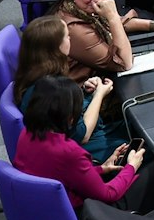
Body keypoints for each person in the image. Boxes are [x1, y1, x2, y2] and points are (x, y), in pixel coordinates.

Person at [12, 75, 143, 210]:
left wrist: (102, 168)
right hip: (84, 216)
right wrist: (131, 166)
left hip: (43, 210)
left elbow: (61, 172)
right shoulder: (69, 152)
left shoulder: (26, 134)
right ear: (70, 118)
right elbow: (108, 194)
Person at [12, 15, 124, 161]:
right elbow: (82, 134)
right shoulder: (54, 88)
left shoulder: (32, 76)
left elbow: (62, 111)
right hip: (86, 151)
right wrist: (99, 95)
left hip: (74, 143)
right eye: (67, 36)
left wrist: (85, 92)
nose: (70, 39)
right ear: (56, 47)